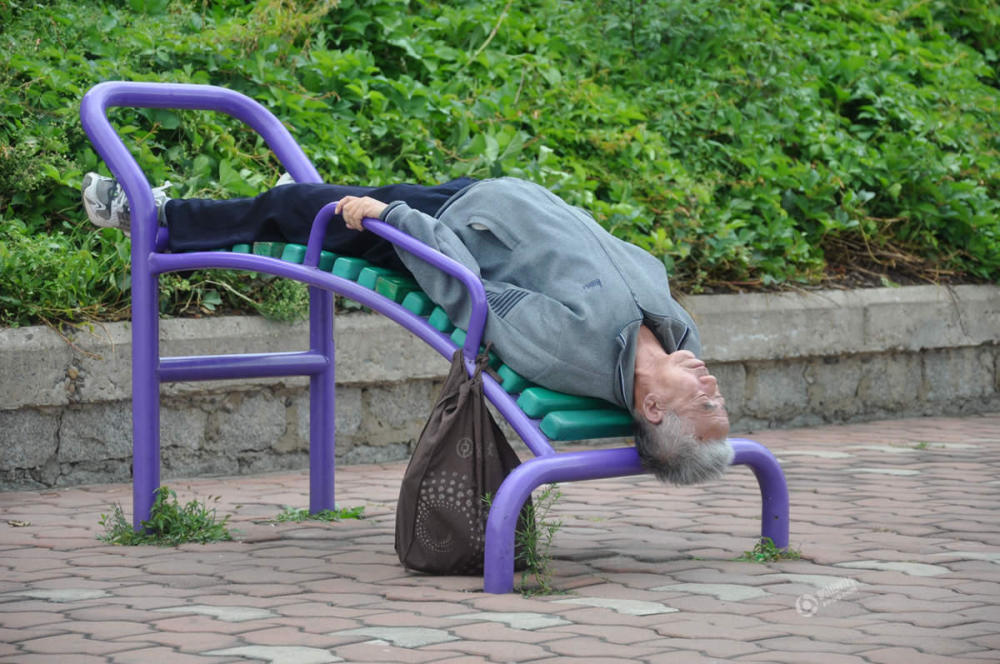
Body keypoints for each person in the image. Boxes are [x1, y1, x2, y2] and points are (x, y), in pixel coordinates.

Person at [82, 172, 732, 485]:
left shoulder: (571, 349)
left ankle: (157, 217)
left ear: (652, 407)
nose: (712, 386)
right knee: (309, 205)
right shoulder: (678, 338)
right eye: (717, 400)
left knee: (299, 206)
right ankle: (289, 207)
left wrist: (393, 219)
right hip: (498, 204)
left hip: (444, 226)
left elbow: (470, 293)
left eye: (703, 404)